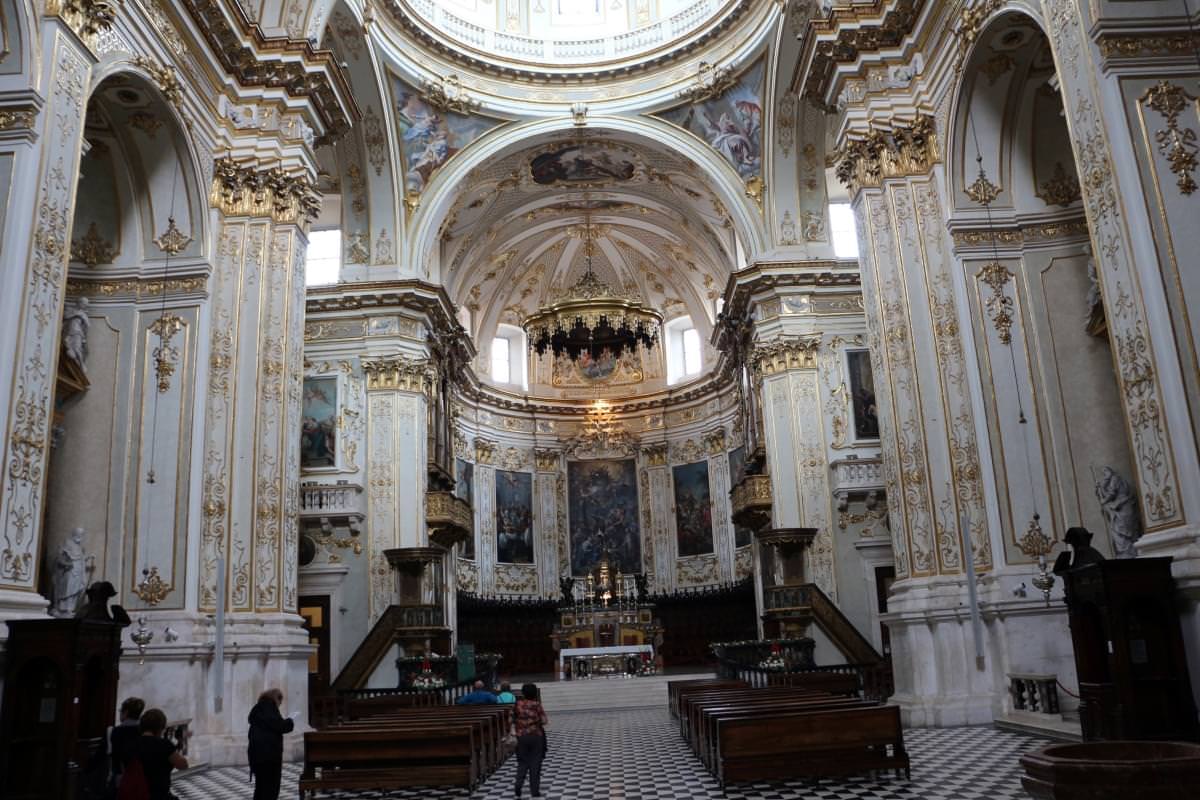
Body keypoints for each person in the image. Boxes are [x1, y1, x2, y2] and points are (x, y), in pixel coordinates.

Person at [126, 708, 187, 800]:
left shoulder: (131, 744)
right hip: (158, 794)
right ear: (161, 727)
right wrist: (180, 742)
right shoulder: (164, 745)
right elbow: (183, 765)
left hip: (135, 793)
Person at [247, 688, 296, 800]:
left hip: (256, 756)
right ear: (276, 698)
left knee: (260, 787)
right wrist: (290, 721)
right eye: (280, 702)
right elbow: (280, 726)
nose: (279, 705)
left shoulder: (258, 709)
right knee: (271, 788)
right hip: (269, 757)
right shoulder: (269, 708)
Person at [514, 683, 548, 799]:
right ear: (534, 694)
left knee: (522, 761)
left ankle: (518, 784)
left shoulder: (517, 704)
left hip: (521, 736)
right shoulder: (537, 705)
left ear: (523, 693)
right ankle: (535, 791)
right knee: (535, 762)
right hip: (535, 736)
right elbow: (544, 721)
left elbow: (510, 719)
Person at [108, 696, 144, 795]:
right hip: (142, 777)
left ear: (126, 712)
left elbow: (115, 754)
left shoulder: (116, 731)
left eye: (121, 711)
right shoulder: (143, 730)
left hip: (122, 776)